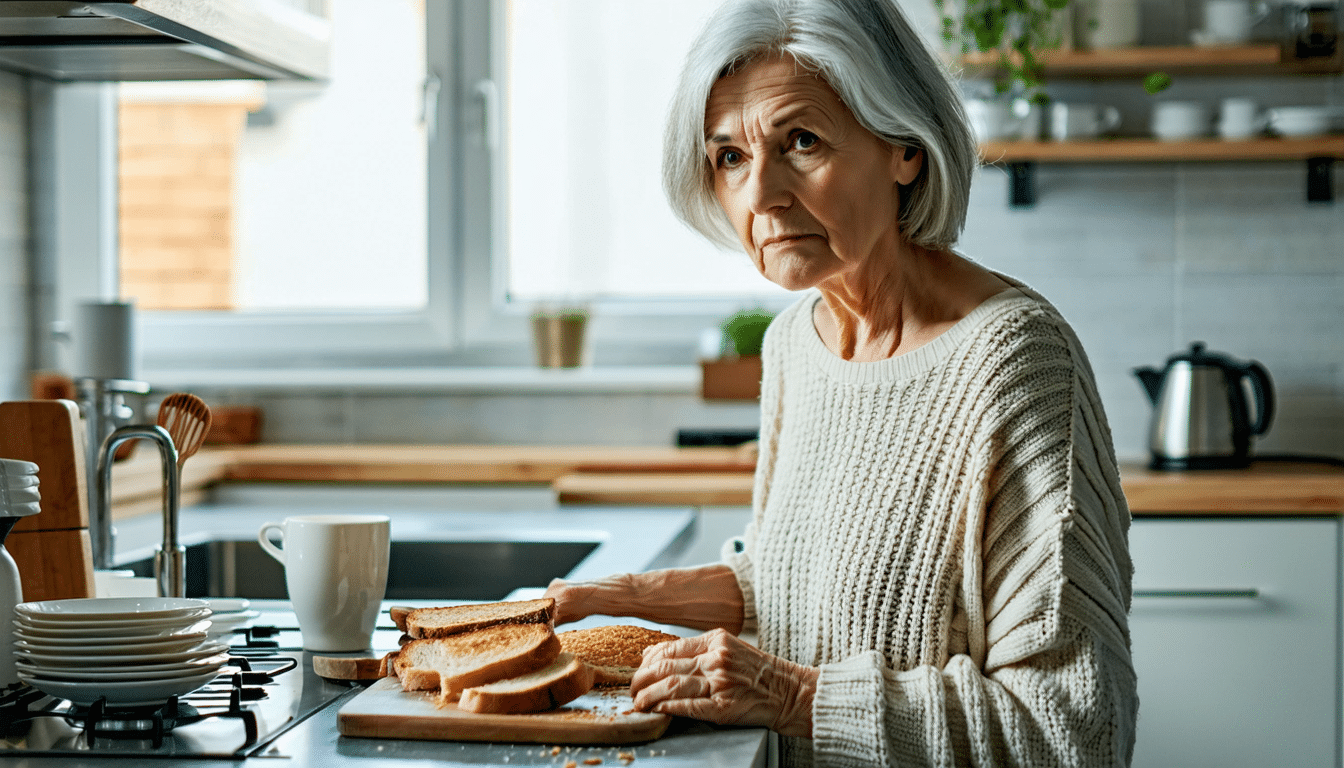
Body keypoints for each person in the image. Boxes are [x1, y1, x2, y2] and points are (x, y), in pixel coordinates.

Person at [543, 0, 1138, 764]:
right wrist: (617, 598)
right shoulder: (799, 340)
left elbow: (1070, 732)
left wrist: (795, 696)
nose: (760, 195)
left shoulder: (1017, 363)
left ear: (905, 149)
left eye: (801, 141)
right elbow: (793, 581)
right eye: (729, 157)